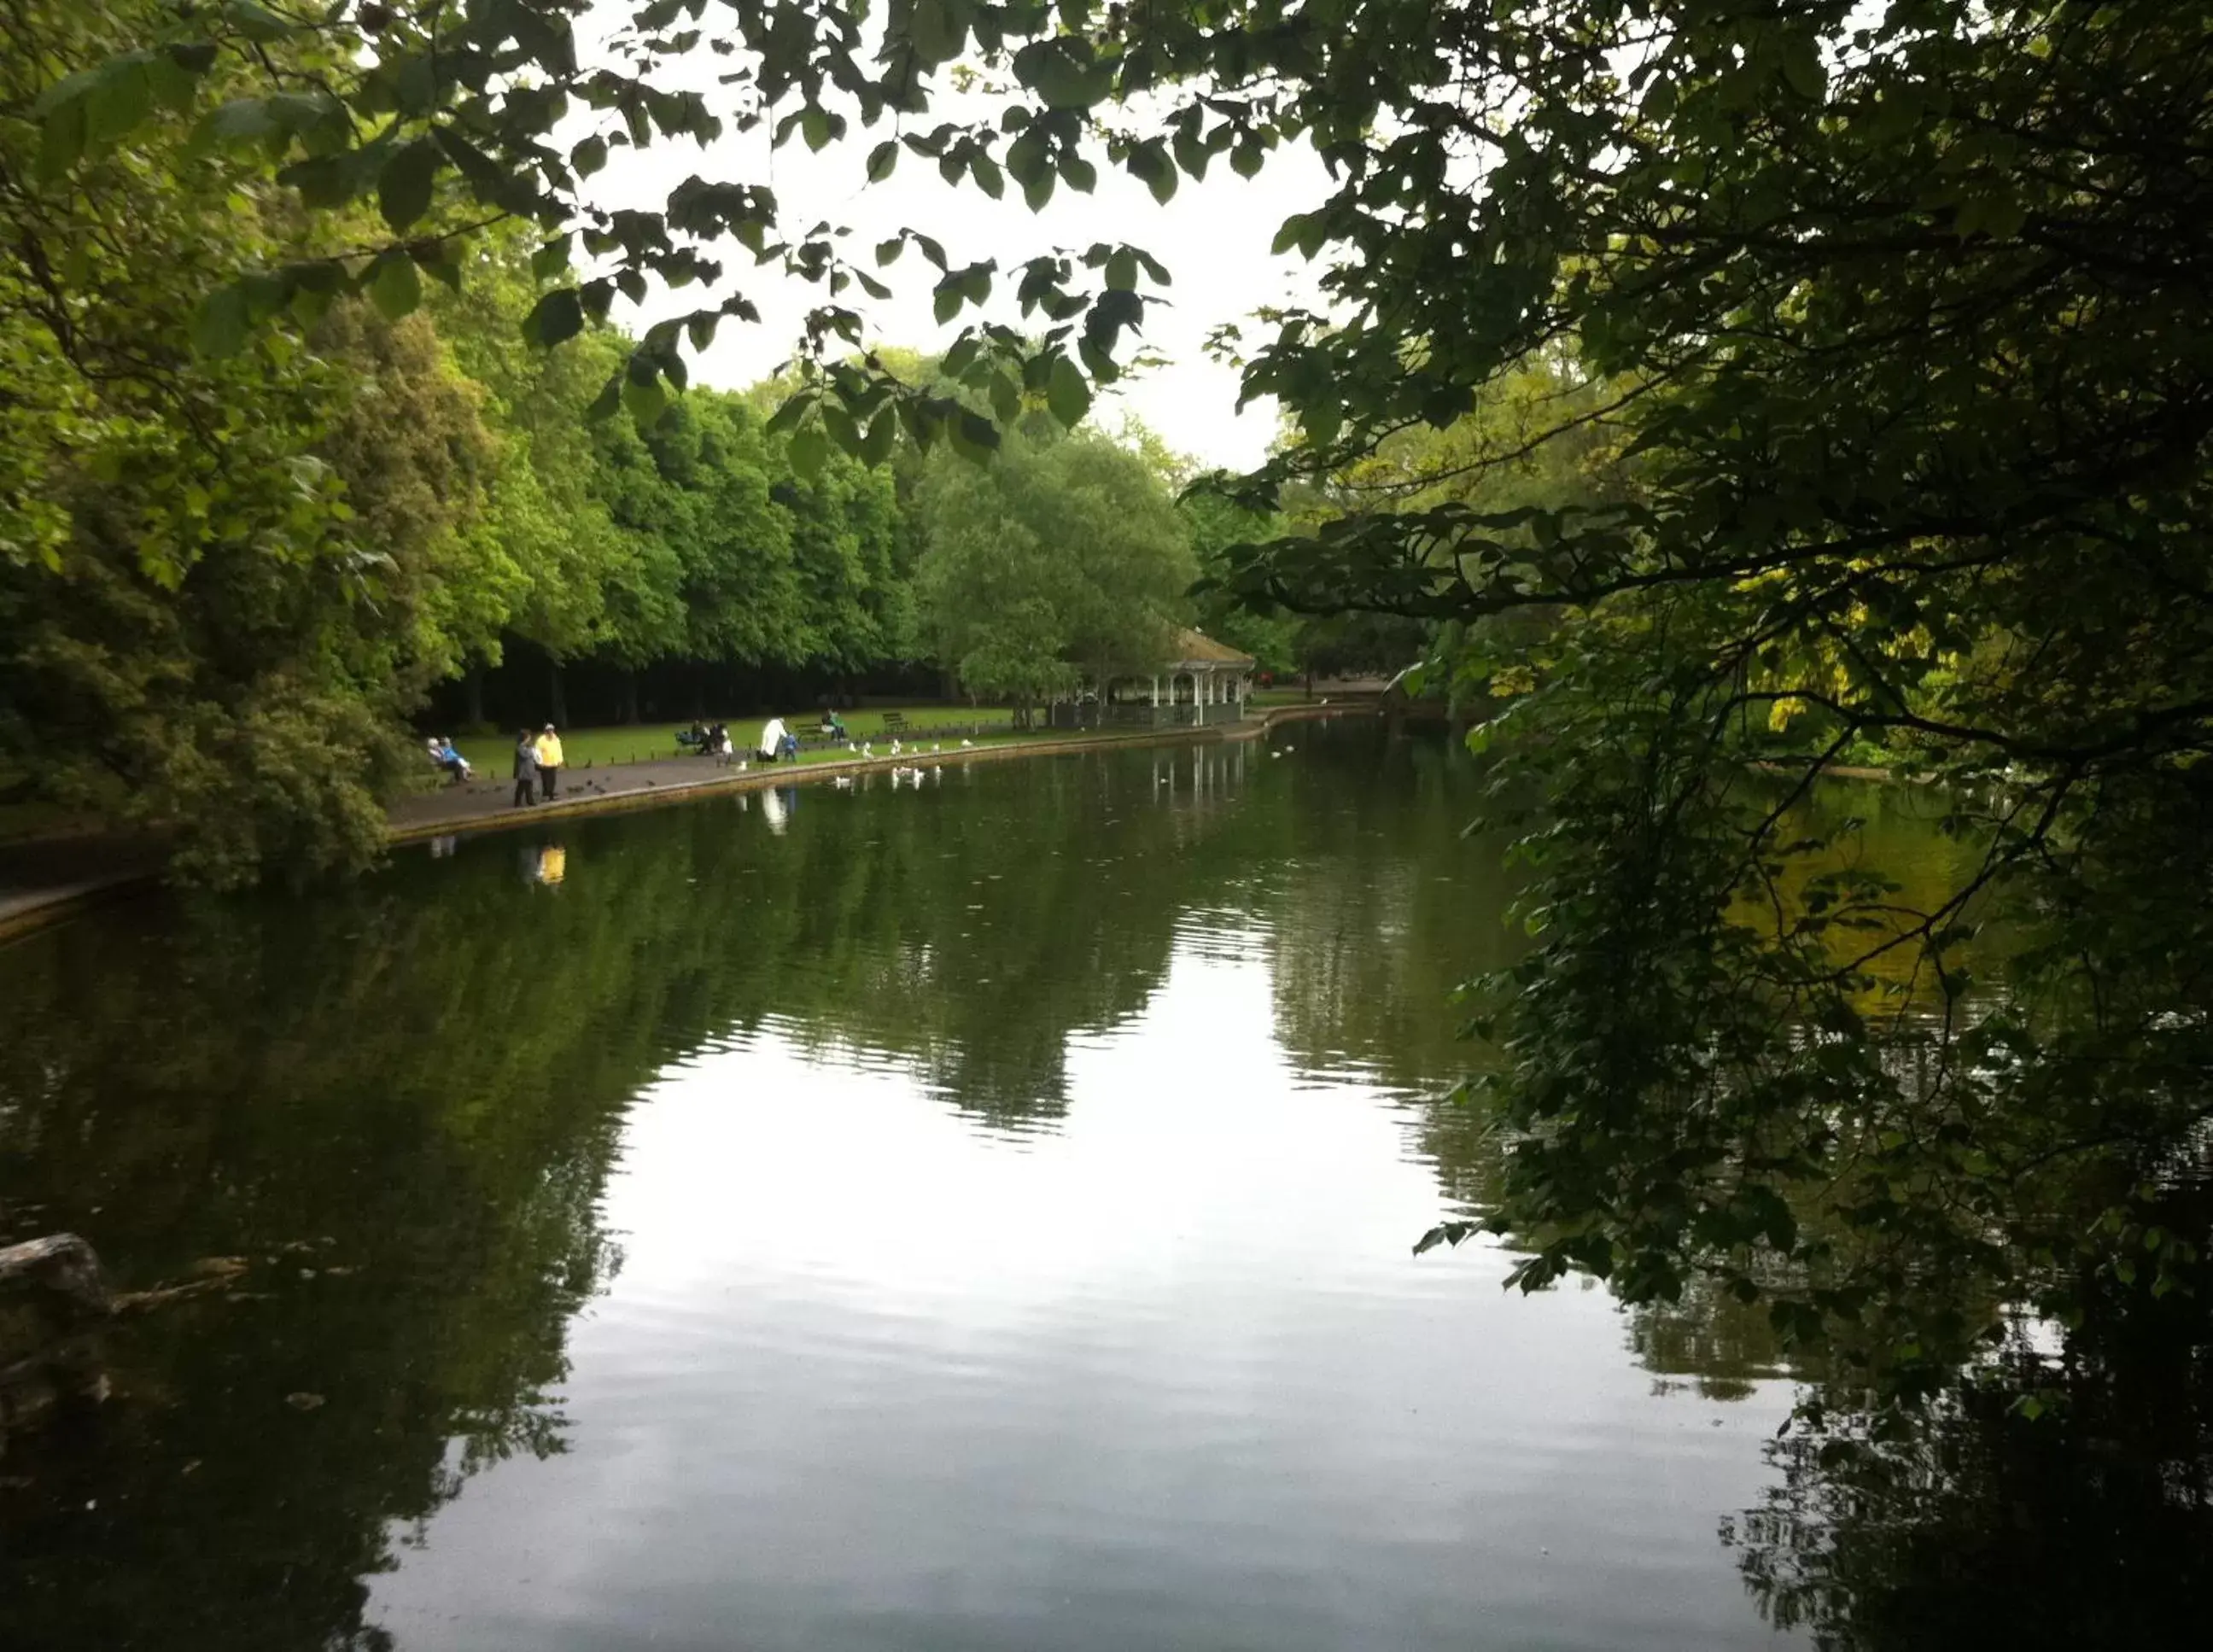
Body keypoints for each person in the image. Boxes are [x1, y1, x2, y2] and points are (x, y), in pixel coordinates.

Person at [534, 723, 564, 801]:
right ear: (546, 731)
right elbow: (537, 753)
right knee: (546, 780)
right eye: (549, 730)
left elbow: (559, 750)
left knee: (552, 780)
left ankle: (551, 793)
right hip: (545, 764)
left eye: (552, 730)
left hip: (554, 763)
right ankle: (546, 794)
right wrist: (539, 763)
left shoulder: (556, 739)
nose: (551, 732)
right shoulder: (541, 740)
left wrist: (560, 760)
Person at [511, 728, 538, 808]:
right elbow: (525, 755)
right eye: (528, 737)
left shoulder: (527, 747)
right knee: (521, 787)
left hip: (529, 770)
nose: (529, 739)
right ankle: (517, 802)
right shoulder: (520, 747)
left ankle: (530, 800)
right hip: (523, 771)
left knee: (529, 787)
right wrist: (532, 751)